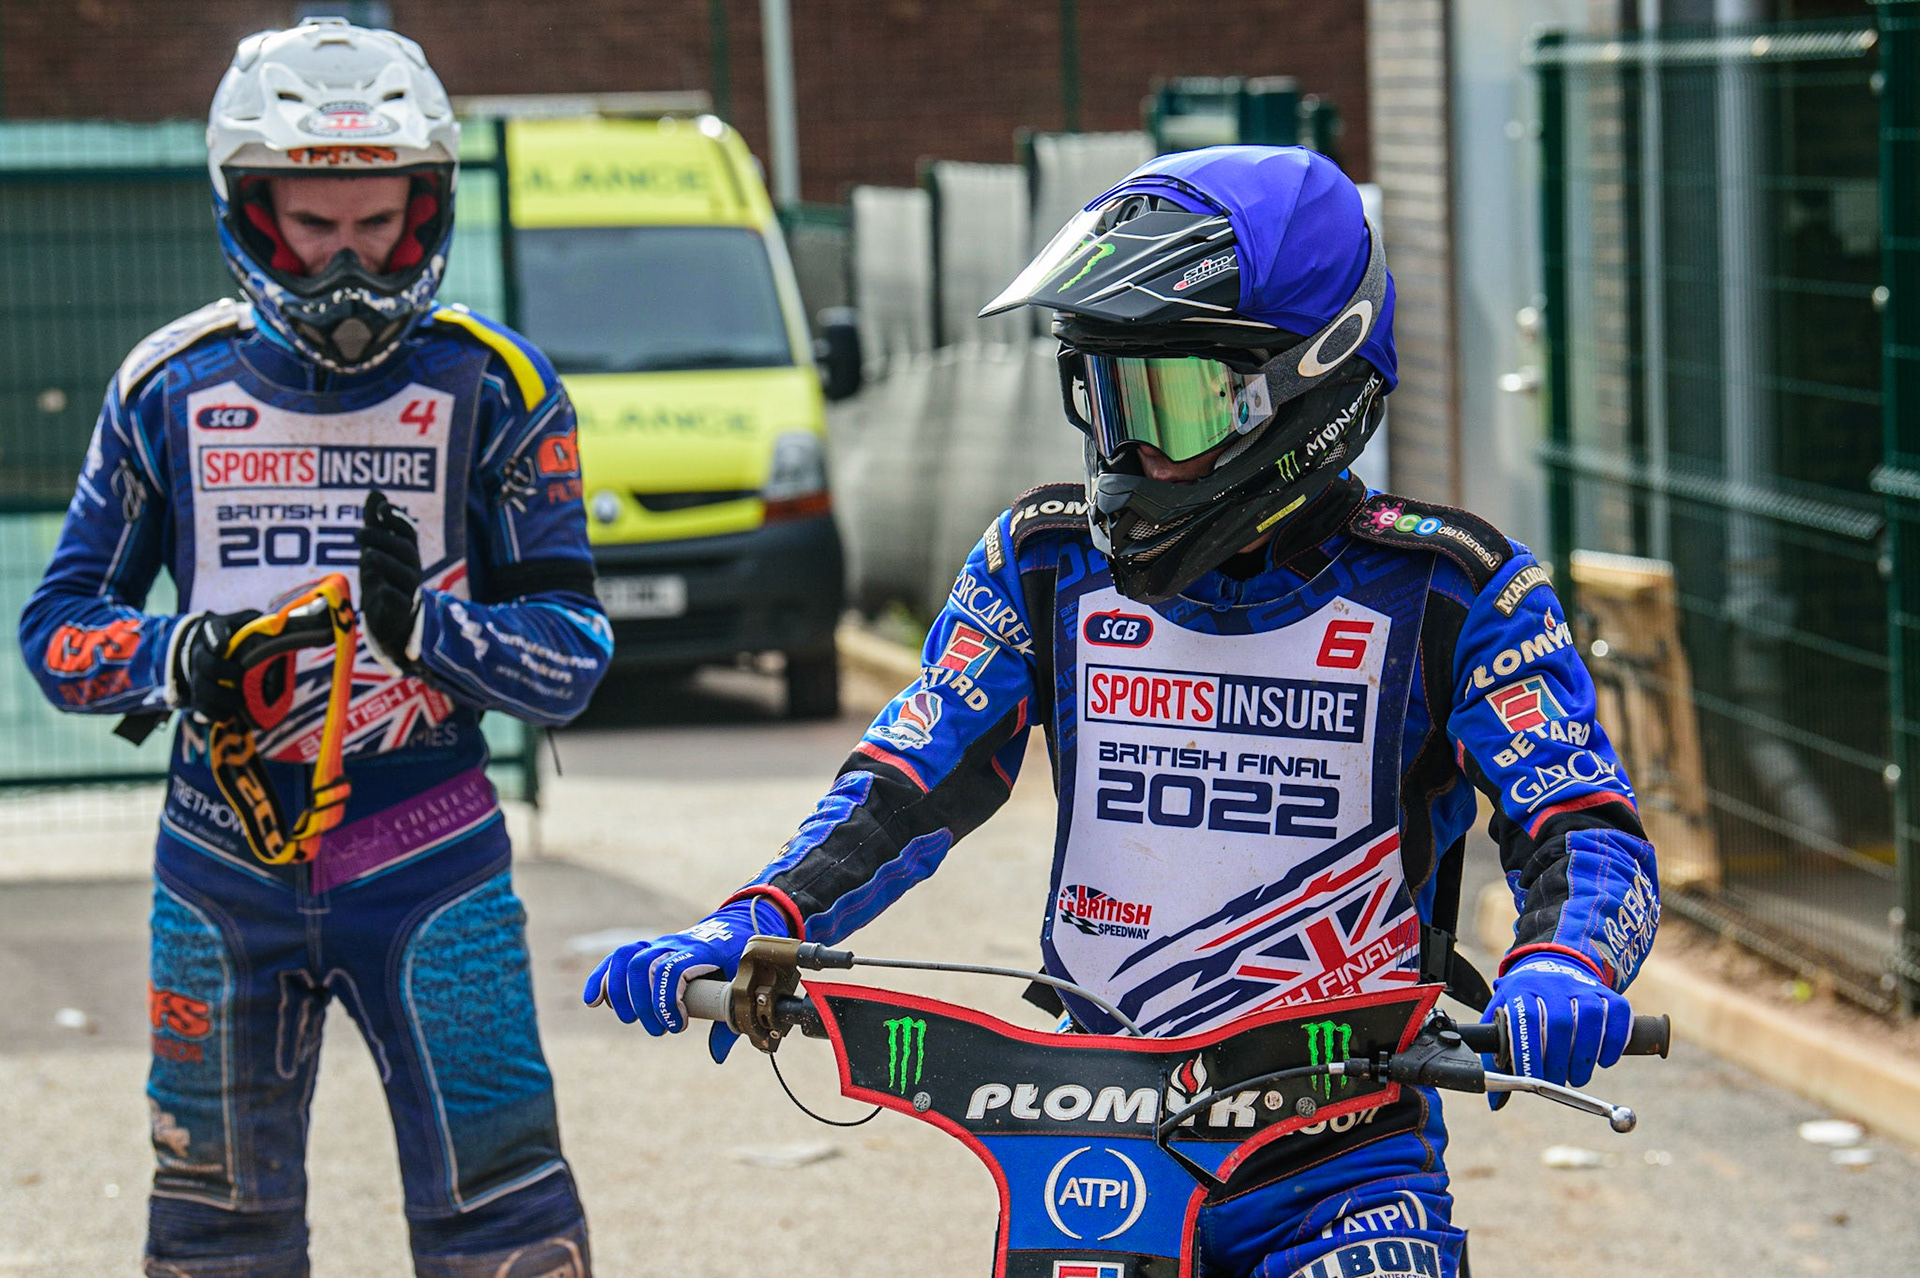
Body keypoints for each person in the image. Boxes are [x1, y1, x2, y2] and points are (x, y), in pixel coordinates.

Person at [585, 146, 1658, 1277]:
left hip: (1347, 1161)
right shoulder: (1043, 562)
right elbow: (907, 782)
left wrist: (1567, 965)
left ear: (1307, 385)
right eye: (1102, 397)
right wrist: (755, 913)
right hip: (1093, 1148)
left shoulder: (1453, 588)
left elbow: (1585, 829)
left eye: (1170, 403)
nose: (1127, 450)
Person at [19, 19, 609, 1278]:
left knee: (502, 1209)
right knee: (213, 1219)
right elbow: (55, 631)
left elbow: (574, 654)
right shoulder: (165, 386)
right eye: (315, 223)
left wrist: (428, 631)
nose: (350, 259)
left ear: (427, 208)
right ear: (251, 210)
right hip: (219, 865)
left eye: (379, 222)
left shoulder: (500, 386)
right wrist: (180, 655)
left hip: (431, 859)